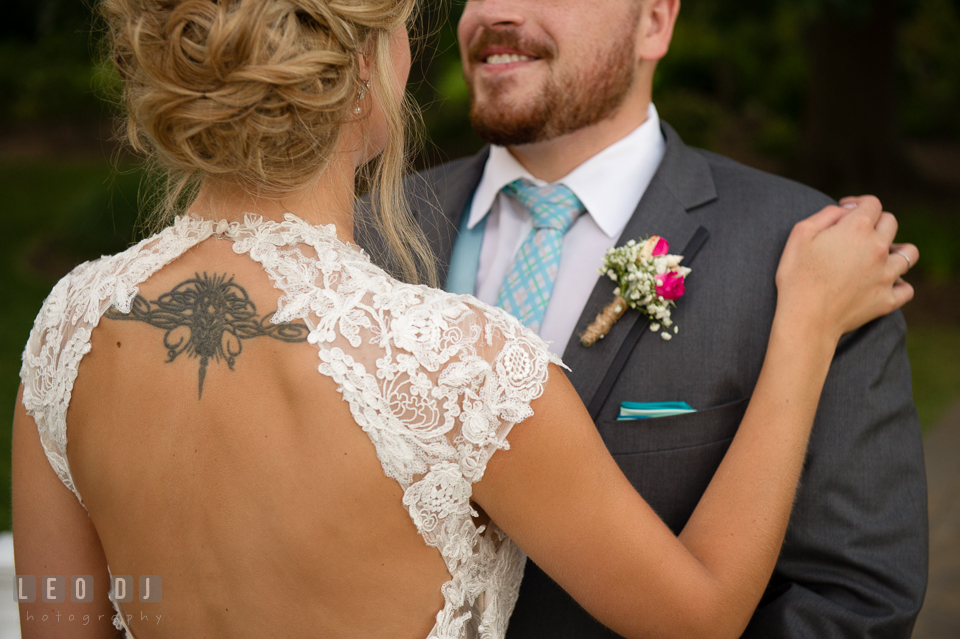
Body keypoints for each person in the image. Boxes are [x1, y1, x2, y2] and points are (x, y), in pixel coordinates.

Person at [12, 1, 916, 639]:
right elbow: (703, 610)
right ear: (366, 71)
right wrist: (804, 330)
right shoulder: (464, 358)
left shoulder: (66, 329)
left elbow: (63, 609)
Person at [379, 1, 929, 637]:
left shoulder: (811, 259)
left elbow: (853, 599)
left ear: (655, 23)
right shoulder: (363, 233)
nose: (496, 11)